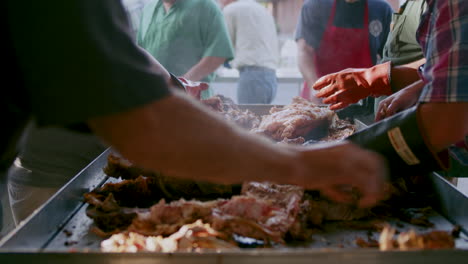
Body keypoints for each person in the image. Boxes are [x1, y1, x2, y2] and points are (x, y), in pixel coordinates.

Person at [1, 0, 389, 235]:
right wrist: (299, 163)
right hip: (40, 170)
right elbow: (148, 127)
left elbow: (123, 54)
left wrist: (171, 82)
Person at [331, 0, 468, 179]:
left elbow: (446, 119)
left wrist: (340, 156)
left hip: (435, 142)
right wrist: (417, 87)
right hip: (427, 140)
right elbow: (452, 62)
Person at [312, 0, 427, 111]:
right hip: (388, 116)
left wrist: (369, 79)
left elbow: (441, 67)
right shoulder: (317, 6)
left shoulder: (436, 4)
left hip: (414, 119)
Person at [295, 0, 393, 104]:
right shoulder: (316, 5)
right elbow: (304, 51)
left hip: (364, 99)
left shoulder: (381, 9)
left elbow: (390, 58)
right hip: (321, 94)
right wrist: (313, 86)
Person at [137, 0, 234, 99]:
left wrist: (180, 85)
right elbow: (140, 53)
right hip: (154, 99)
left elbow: (218, 54)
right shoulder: (149, 9)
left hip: (193, 99)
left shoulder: (205, 6)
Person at [219, 0, 280, 104]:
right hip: (271, 77)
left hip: (252, 78)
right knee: (261, 118)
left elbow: (224, 45)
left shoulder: (230, 10)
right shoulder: (261, 9)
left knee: (247, 118)